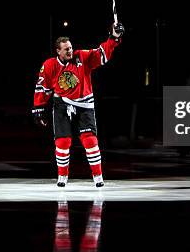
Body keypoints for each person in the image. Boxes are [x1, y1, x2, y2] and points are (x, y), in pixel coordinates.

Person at [32, 22, 124, 187]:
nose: (70, 51)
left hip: (85, 104)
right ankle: (62, 177)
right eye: (66, 49)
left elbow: (101, 54)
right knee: (63, 142)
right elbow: (42, 87)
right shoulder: (49, 65)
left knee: (90, 141)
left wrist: (113, 37)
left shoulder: (82, 56)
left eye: (71, 47)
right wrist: (39, 108)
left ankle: (98, 177)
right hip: (62, 104)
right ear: (58, 51)